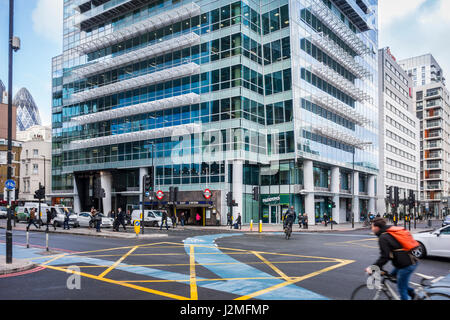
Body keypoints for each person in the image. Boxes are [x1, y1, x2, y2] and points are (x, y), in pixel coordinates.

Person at [366, 217, 418, 300]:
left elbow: (385, 256)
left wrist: (373, 267)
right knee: (393, 277)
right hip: (408, 261)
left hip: (407, 265)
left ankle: (410, 294)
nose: (371, 229)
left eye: (372, 226)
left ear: (377, 227)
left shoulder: (383, 237)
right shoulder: (388, 233)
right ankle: (412, 293)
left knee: (401, 289)